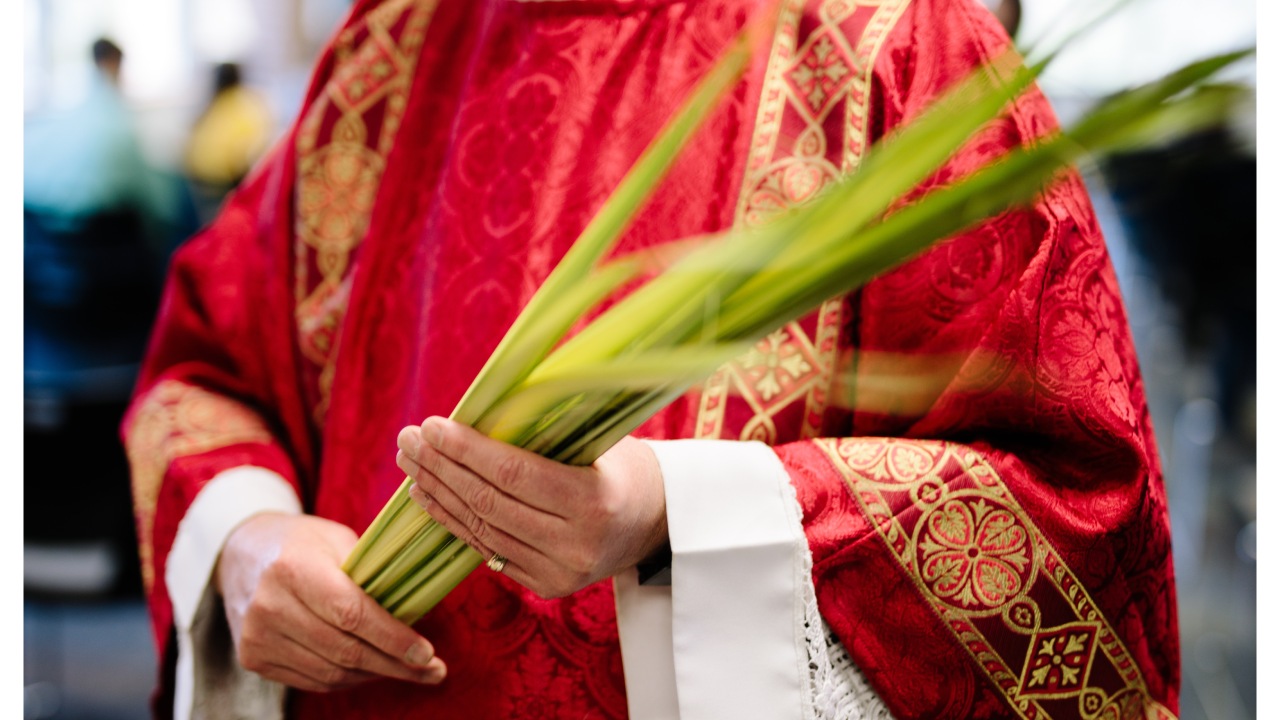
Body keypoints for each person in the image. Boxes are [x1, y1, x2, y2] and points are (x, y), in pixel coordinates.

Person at [123, 1, 1180, 718]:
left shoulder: (898, 47)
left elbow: (1078, 503)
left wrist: (673, 513)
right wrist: (247, 542)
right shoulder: (387, 49)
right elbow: (202, 377)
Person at [183, 62, 275, 222]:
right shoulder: (245, 105)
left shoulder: (210, 107)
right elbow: (248, 154)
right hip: (226, 184)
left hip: (199, 185)